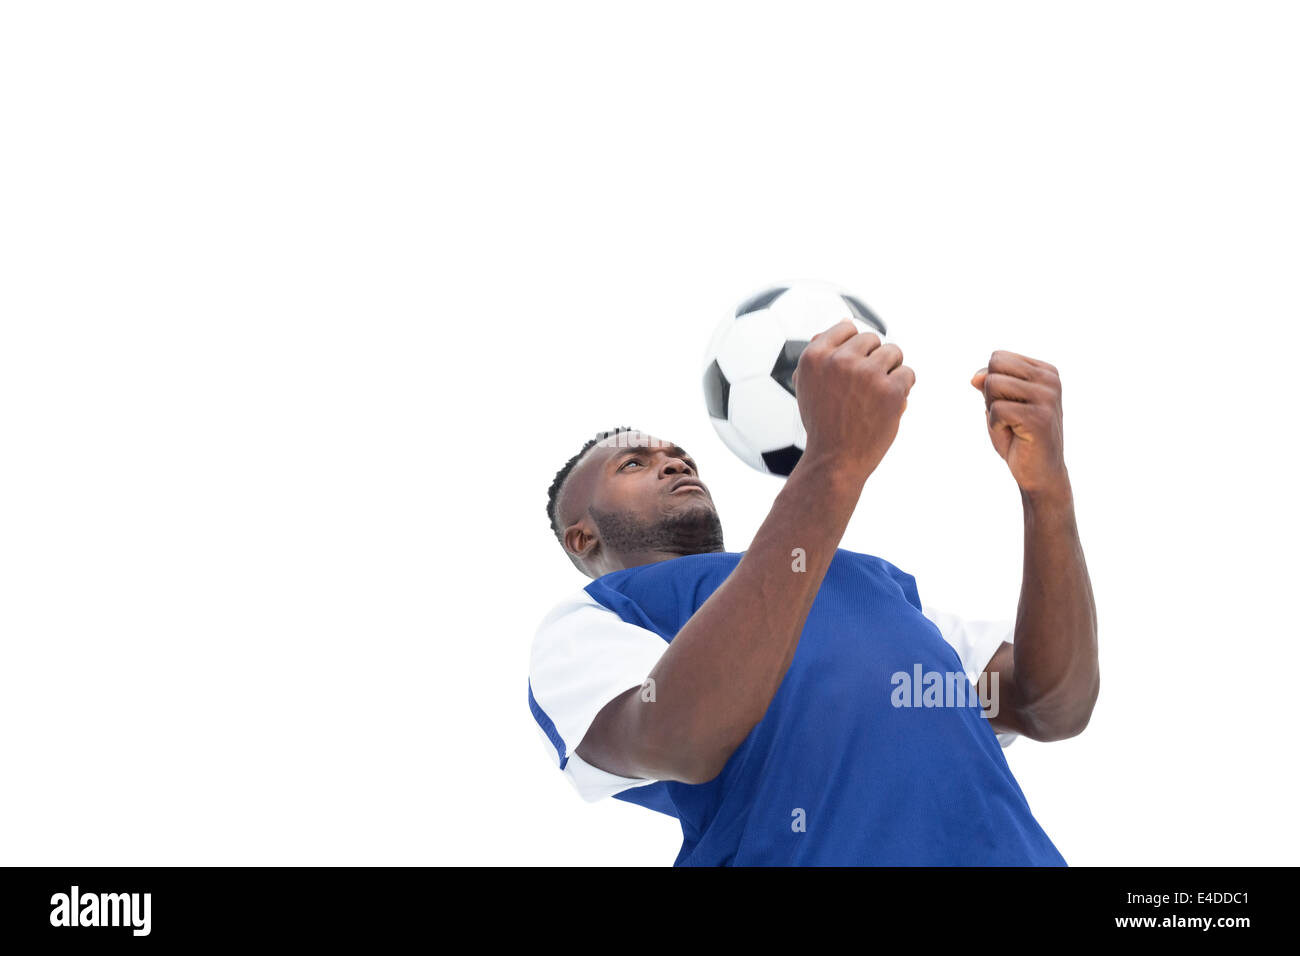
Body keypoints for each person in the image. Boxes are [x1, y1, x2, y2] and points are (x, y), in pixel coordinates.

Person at [528, 319, 1099, 865]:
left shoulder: (867, 583)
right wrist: (832, 462)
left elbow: (1047, 705)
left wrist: (1046, 487)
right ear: (582, 536)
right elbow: (677, 738)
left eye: (678, 455)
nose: (672, 461)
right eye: (633, 462)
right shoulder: (595, 619)